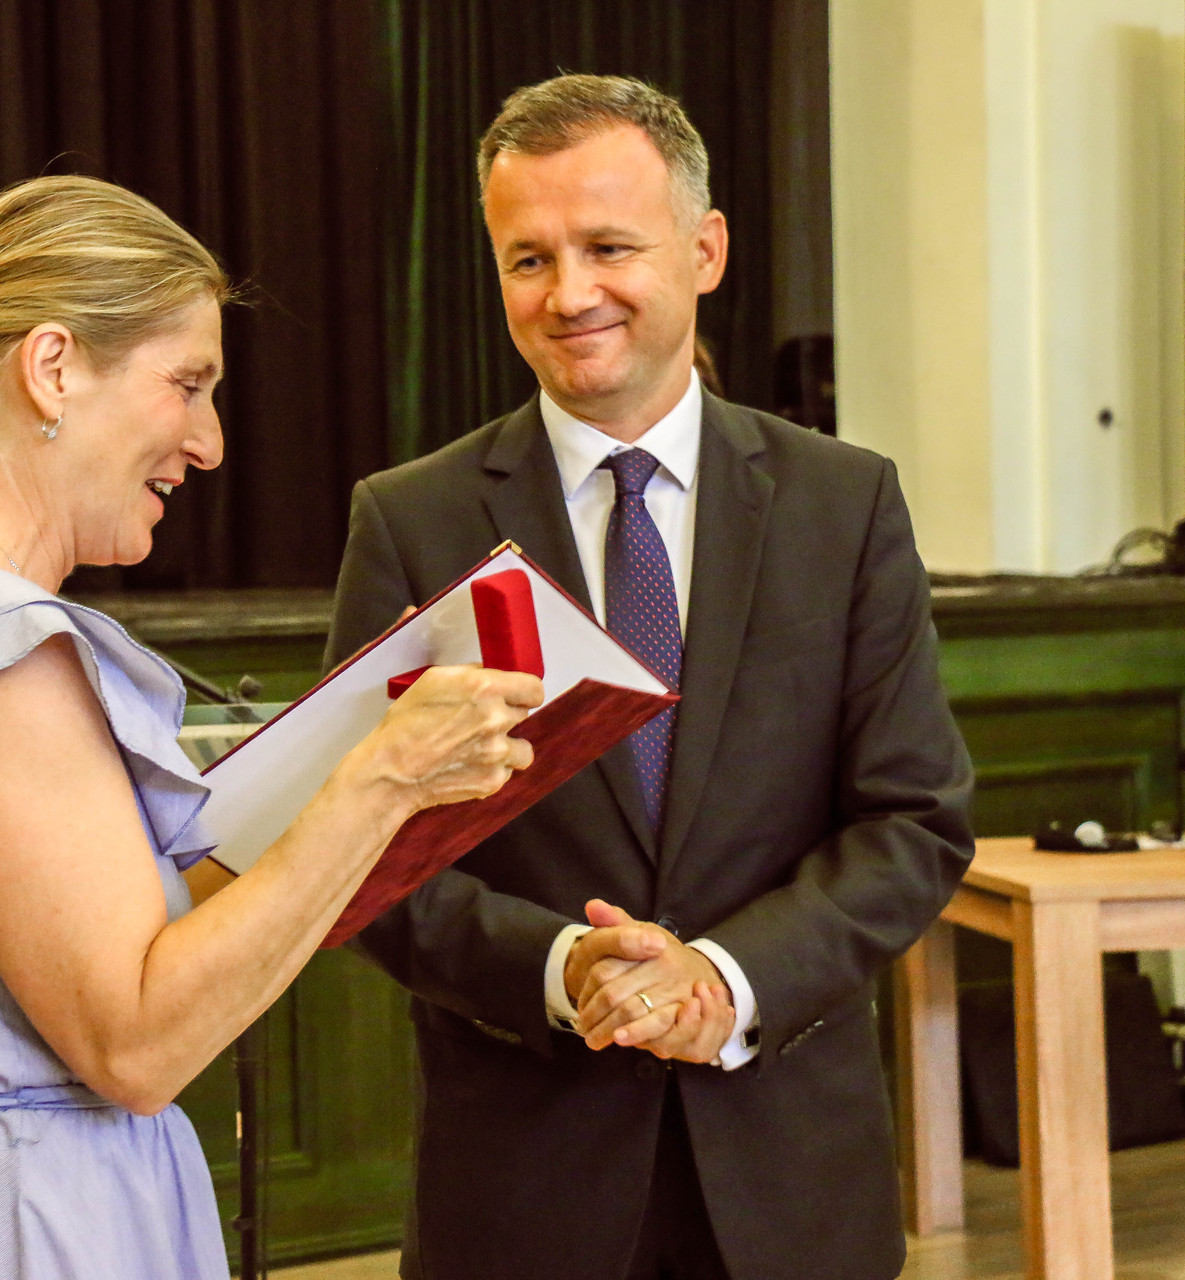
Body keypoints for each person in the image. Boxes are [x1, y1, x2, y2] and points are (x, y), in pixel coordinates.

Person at [0, 174, 542, 1280]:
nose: (211, 442)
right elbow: (135, 1045)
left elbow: (74, 936)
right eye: (187, 384)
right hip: (28, 1219)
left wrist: (346, 788)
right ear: (53, 368)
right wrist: (381, 780)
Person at [324, 76, 976, 1280]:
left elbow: (914, 819)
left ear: (705, 249)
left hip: (793, 1181)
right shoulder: (413, 523)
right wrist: (562, 967)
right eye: (529, 259)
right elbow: (362, 855)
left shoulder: (845, 504)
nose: (569, 294)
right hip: (522, 1193)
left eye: (609, 247)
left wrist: (724, 979)